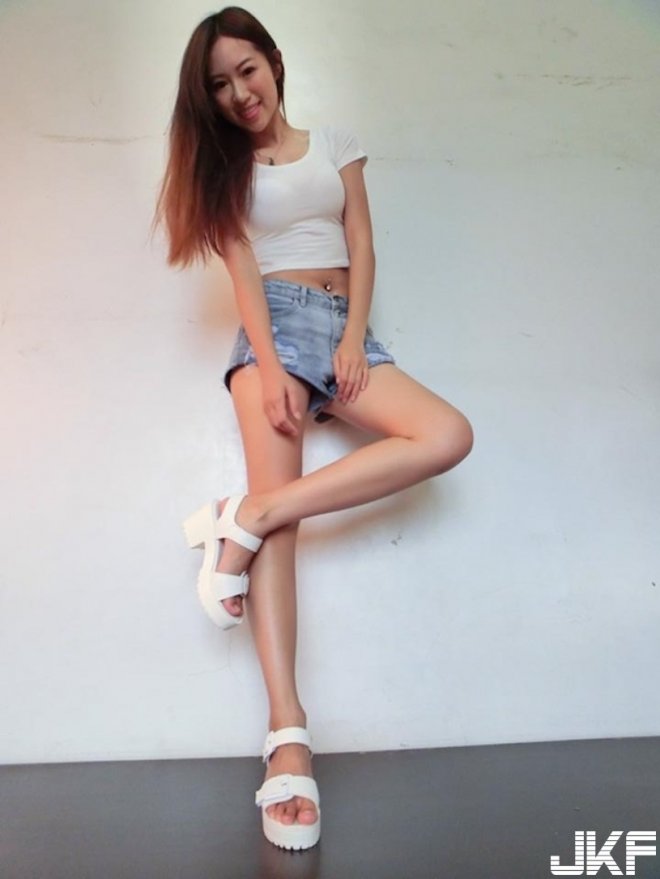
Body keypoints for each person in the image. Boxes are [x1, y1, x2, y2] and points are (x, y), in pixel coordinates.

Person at [153, 5, 473, 851]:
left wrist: (353, 338)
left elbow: (361, 243)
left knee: (446, 435)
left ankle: (245, 514)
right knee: (285, 538)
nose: (239, 93)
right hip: (272, 328)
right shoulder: (224, 170)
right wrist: (267, 364)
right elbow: (243, 271)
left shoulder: (336, 143)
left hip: (343, 330)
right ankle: (287, 734)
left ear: (273, 62)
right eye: (220, 85)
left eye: (246, 71)